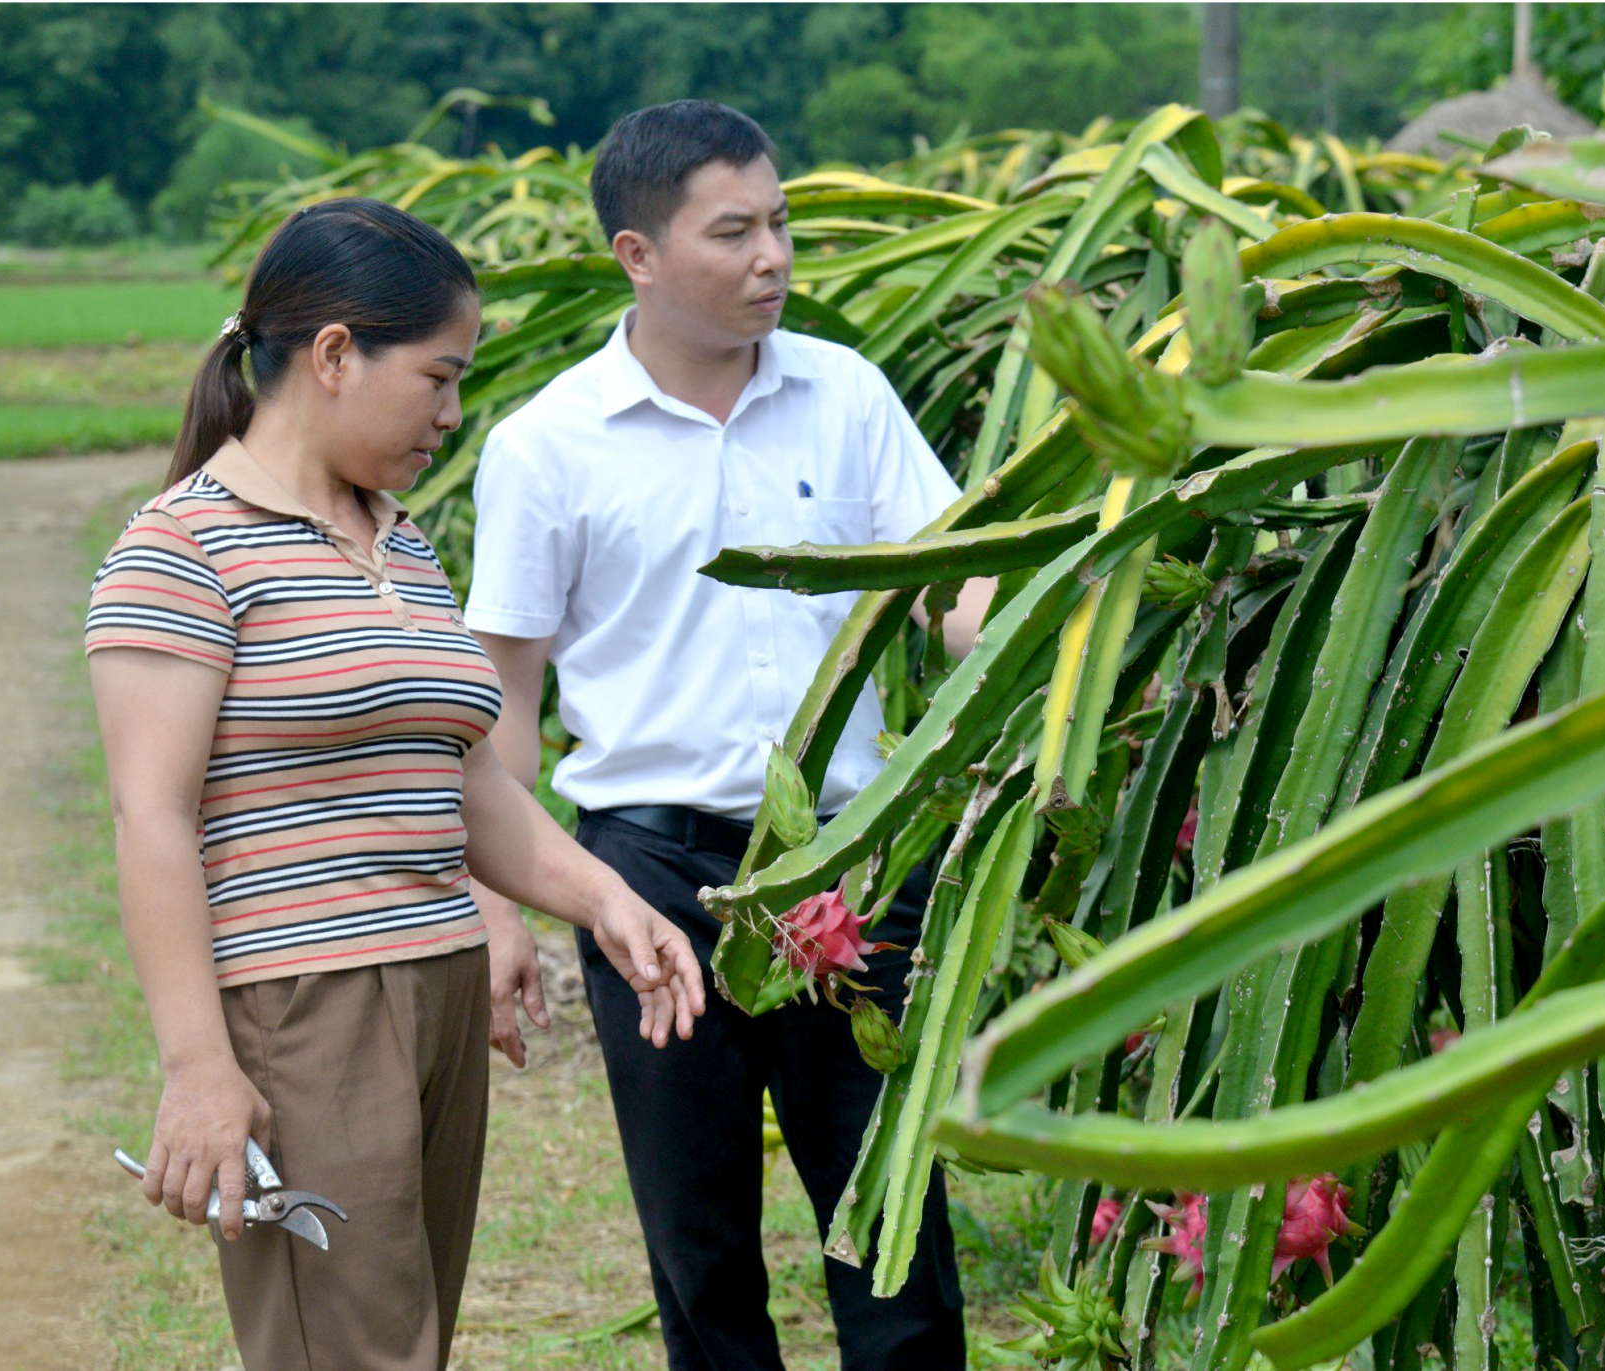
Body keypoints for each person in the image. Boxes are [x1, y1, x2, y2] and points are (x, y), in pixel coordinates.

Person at [84, 197, 706, 1371]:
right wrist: (200, 1070)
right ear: (332, 356)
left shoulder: (400, 543)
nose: (453, 413)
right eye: (437, 377)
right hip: (303, 1006)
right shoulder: (182, 550)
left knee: (407, 1340)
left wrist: (606, 903)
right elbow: (150, 820)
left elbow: (463, 778)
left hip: (437, 985)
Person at [464, 100, 992, 1370]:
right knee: (698, 1240)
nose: (775, 259)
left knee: (894, 1212)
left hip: (851, 868)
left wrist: (1083, 645)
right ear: (638, 256)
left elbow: (956, 587)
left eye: (782, 224)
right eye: (735, 231)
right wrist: (499, 909)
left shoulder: (846, 394)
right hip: (650, 875)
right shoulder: (545, 448)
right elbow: (503, 704)